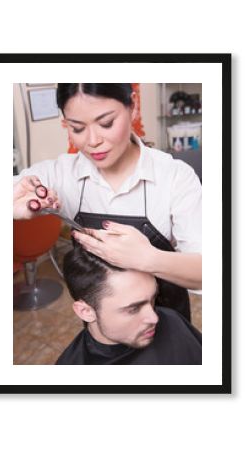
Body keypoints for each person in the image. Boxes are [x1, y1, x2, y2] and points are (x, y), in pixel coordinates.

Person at [13, 83, 202, 320]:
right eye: (77, 128)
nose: (93, 141)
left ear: (132, 107)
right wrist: (12, 203)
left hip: (168, 322)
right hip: (103, 331)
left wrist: (147, 259)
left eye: (106, 123)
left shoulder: (173, 176)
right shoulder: (61, 173)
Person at [55, 245, 201, 365]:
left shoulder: (171, 320)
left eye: (152, 298)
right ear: (86, 311)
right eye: (133, 309)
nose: (154, 318)